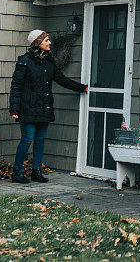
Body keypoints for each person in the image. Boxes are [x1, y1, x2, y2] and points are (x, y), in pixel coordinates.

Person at [9, 29, 87, 183]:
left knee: (40, 140)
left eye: (49, 40)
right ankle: (17, 173)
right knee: (27, 139)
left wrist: (80, 87)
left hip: (44, 106)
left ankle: (36, 172)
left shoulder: (49, 61)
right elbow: (16, 85)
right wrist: (14, 108)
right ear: (37, 43)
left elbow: (60, 78)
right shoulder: (25, 61)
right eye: (46, 40)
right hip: (28, 107)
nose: (49, 42)